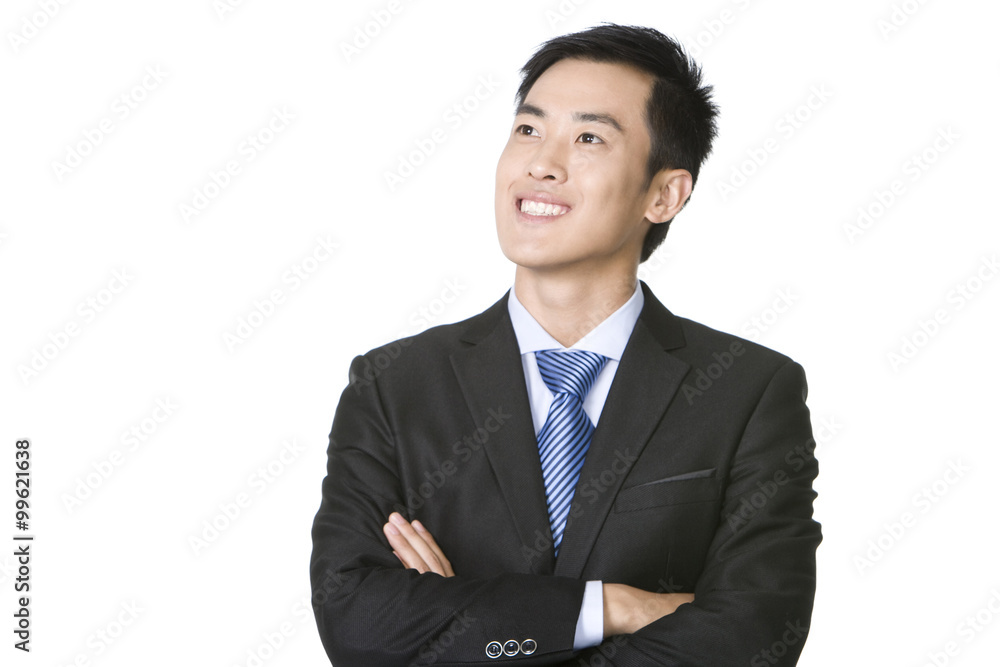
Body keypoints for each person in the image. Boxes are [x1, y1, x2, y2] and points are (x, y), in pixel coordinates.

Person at [311, 23, 821, 666]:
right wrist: (608, 608)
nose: (541, 164)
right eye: (528, 129)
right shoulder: (394, 385)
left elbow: (750, 639)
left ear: (664, 194)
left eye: (588, 138)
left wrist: (465, 628)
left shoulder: (748, 392)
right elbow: (357, 624)